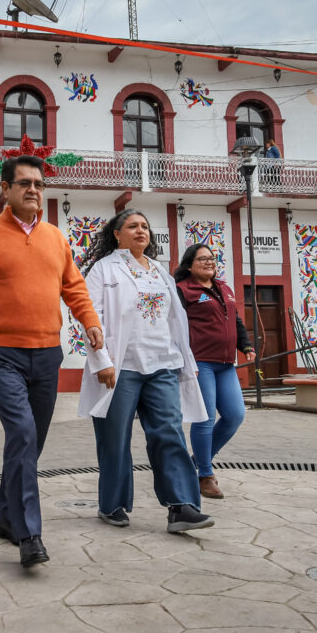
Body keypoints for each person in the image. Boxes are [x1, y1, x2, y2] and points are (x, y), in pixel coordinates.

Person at [0, 154, 104, 568]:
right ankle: (29, 533)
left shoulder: (55, 236)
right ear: (6, 189)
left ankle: (5, 517)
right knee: (21, 433)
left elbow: (73, 286)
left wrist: (89, 320)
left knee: (29, 442)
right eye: (24, 183)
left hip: (47, 353)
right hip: (0, 353)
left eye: (38, 183)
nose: (33, 189)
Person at [77, 210, 214, 533]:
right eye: (132, 226)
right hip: (121, 366)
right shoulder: (103, 270)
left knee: (169, 432)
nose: (141, 230)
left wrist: (186, 363)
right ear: (117, 234)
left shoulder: (159, 273)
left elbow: (175, 322)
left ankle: (182, 506)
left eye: (145, 226)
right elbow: (89, 317)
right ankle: (113, 504)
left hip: (162, 364)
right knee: (115, 439)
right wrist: (102, 362)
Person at [173, 243, 256, 499]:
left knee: (234, 415)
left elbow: (236, 320)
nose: (209, 262)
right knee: (205, 418)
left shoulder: (224, 288)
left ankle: (195, 461)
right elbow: (174, 327)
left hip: (226, 364)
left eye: (212, 258)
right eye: (202, 259)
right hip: (201, 363)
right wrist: (184, 361)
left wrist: (246, 345)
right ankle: (205, 476)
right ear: (189, 265)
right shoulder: (182, 290)